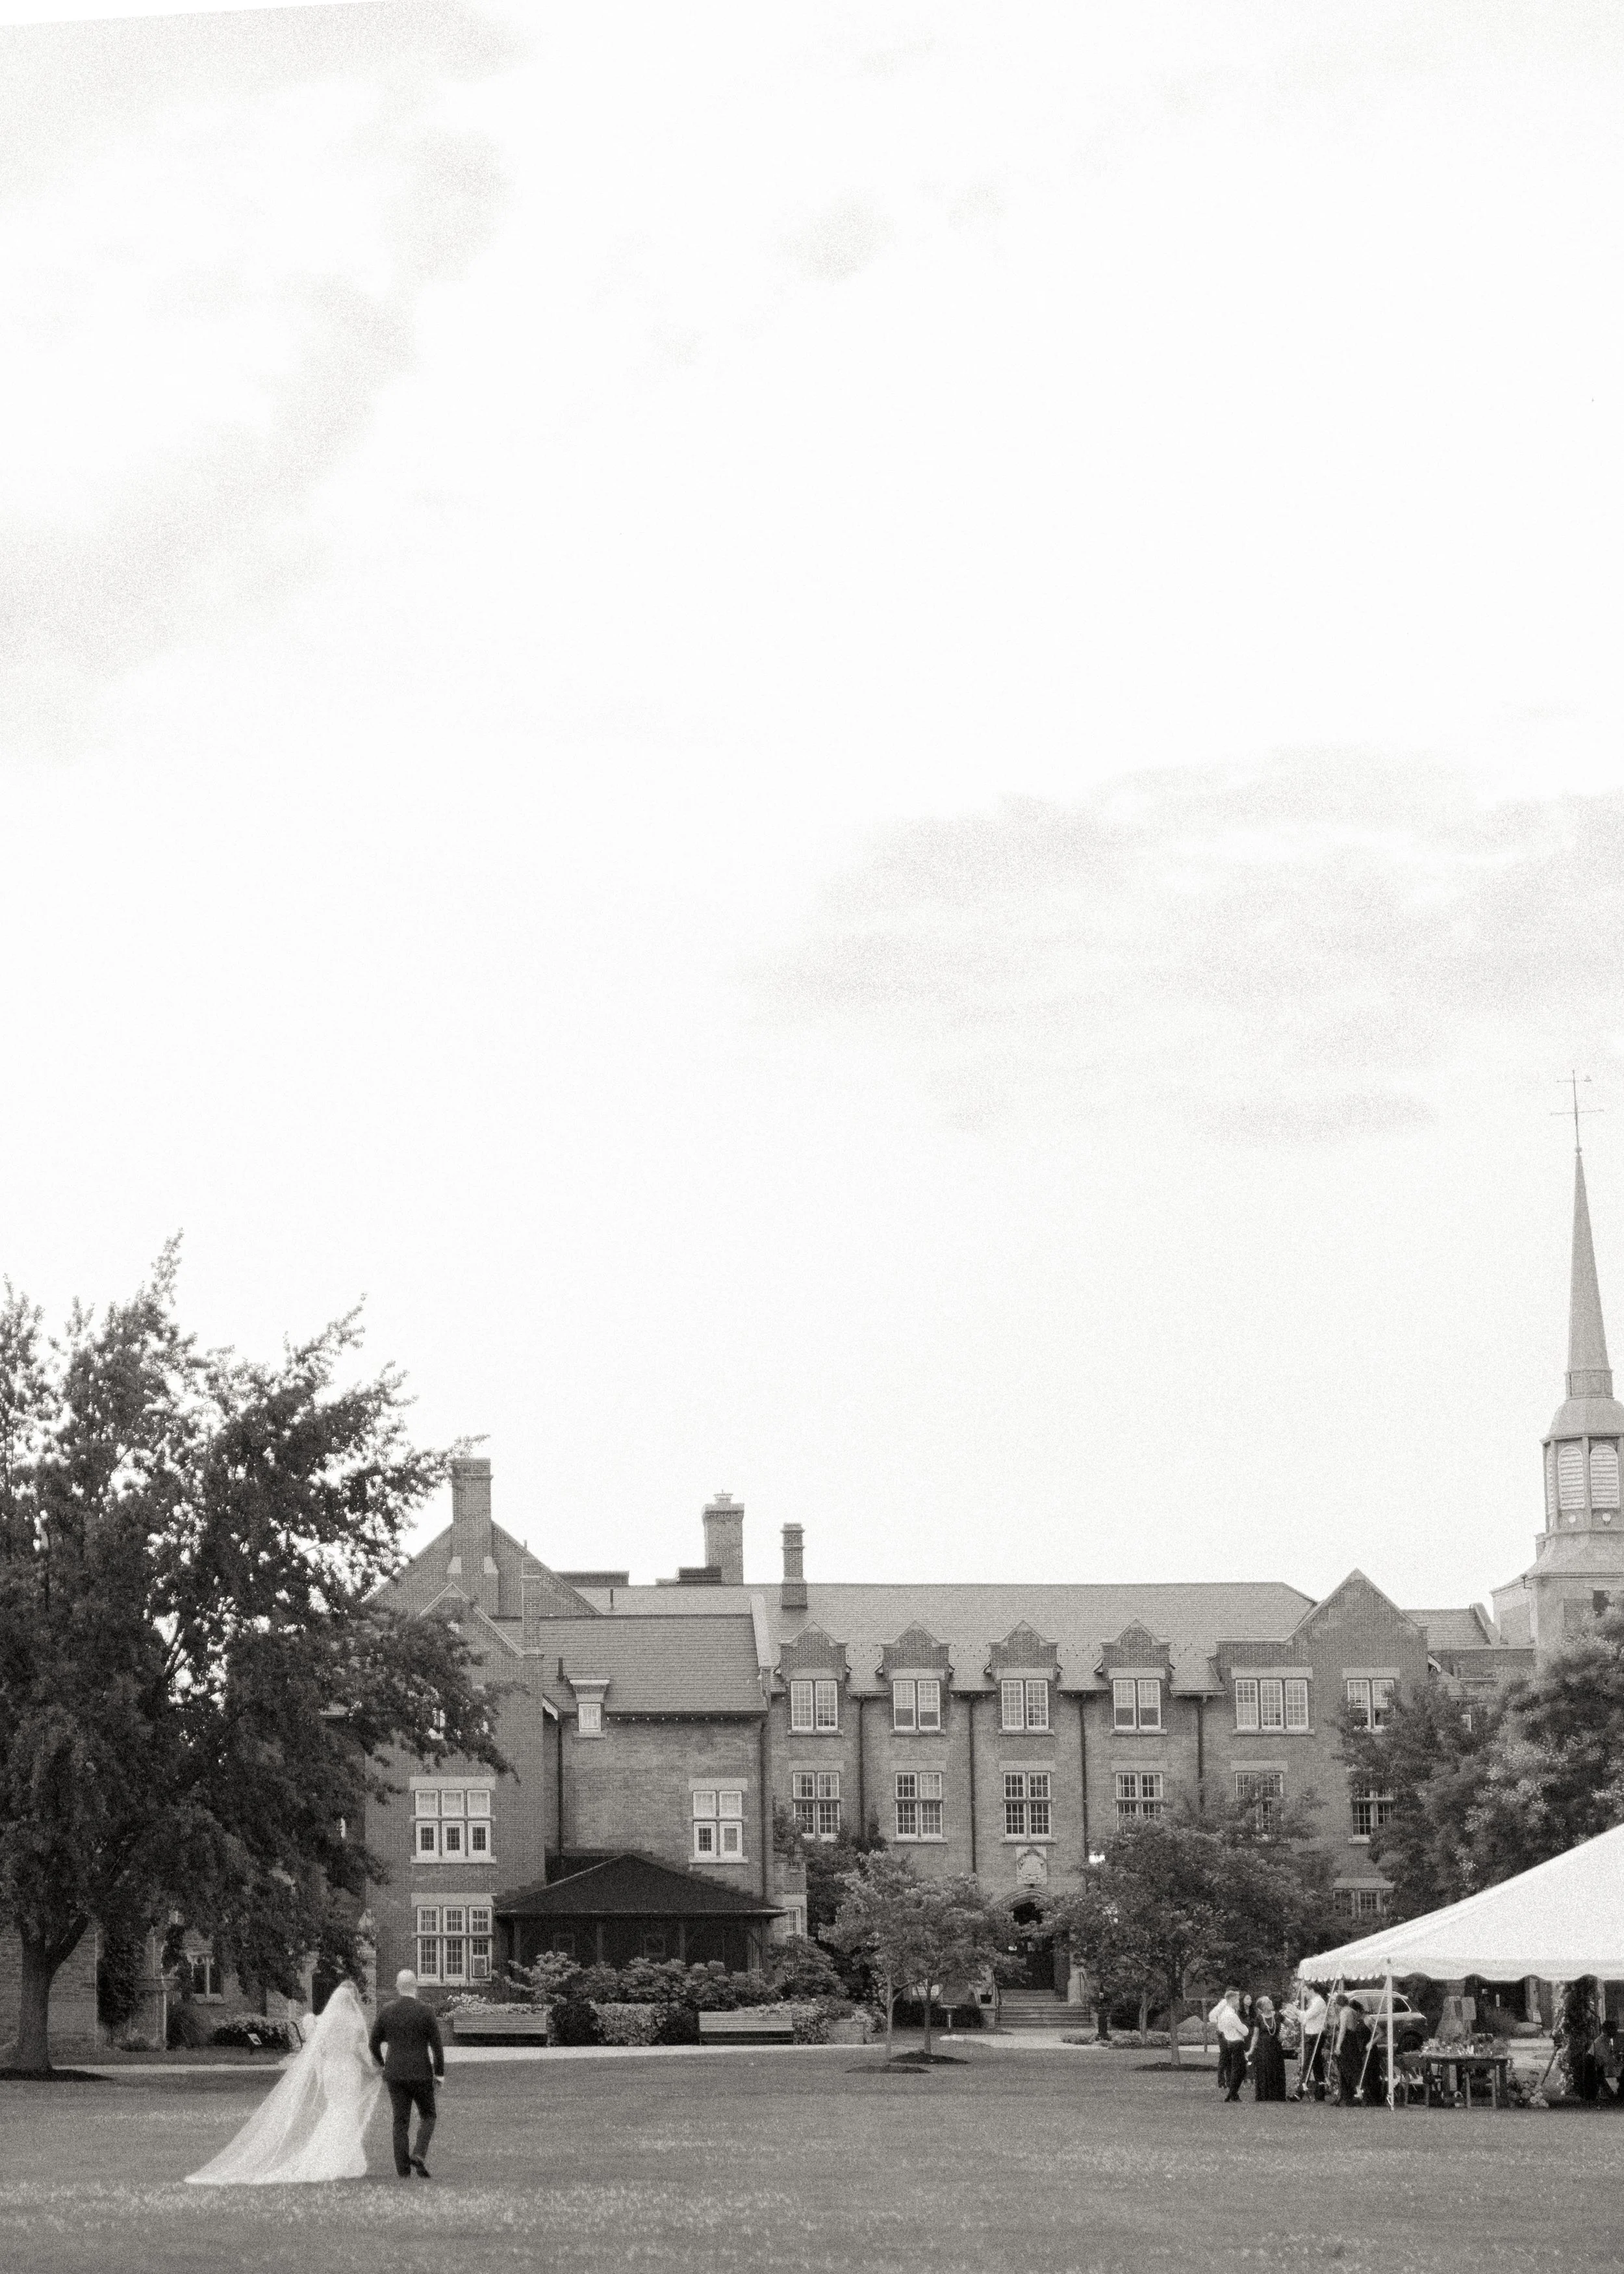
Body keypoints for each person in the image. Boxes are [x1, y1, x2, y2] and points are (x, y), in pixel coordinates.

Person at [186, 1980, 382, 2184]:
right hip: (348, 2070)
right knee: (345, 2111)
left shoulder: (326, 2021)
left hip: (331, 2071)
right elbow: (359, 2051)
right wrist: (374, 2069)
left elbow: (321, 2050)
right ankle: (339, 2159)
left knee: (335, 2110)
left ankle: (341, 2158)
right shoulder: (355, 2021)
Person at [370, 1967, 446, 2179]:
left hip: (395, 2074)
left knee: (400, 2123)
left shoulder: (387, 2010)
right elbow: (437, 2047)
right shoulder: (426, 2011)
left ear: (398, 1987)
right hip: (421, 2073)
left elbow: (373, 2042)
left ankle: (403, 2173)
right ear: (416, 1986)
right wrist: (439, 2074)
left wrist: (382, 2063)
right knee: (429, 2115)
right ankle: (419, 2153)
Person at [1210, 1987, 1250, 2102]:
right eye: (1237, 1999)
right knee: (1239, 2069)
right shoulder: (1231, 2015)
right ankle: (1233, 2093)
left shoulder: (1225, 2014)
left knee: (1236, 2068)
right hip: (1236, 2042)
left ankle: (1232, 2093)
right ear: (1232, 2000)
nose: (1239, 2002)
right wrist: (1244, 2029)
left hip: (1230, 2042)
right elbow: (1245, 2031)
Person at [1293, 1981, 1329, 2101]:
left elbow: (1307, 2016)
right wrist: (1299, 2016)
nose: (1304, 1995)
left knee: (1308, 2064)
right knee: (1317, 2065)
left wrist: (1296, 2011)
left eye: (1305, 1992)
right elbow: (1304, 2020)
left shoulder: (1319, 2002)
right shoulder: (1314, 2002)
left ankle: (1299, 2093)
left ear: (1312, 1990)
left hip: (1315, 2036)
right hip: (1311, 2034)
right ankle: (1320, 2094)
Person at [1332, 1993, 1371, 2106]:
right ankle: (1357, 2094)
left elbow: (1343, 2030)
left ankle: (1351, 2095)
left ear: (1339, 2004)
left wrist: (1338, 2045)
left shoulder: (1344, 2012)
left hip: (1347, 2042)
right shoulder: (1353, 2011)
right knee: (1355, 2068)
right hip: (1354, 2040)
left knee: (1347, 2069)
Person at [1249, 1995, 1288, 2101]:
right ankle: (1265, 2095)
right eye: (1268, 2002)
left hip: (1276, 2048)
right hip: (1263, 2049)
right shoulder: (1259, 2018)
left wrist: (1285, 2035)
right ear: (1263, 2007)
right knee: (1264, 2070)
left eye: (1270, 2001)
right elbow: (1255, 2036)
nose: (1271, 2003)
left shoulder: (1278, 2016)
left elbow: (1291, 2026)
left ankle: (1277, 2095)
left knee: (1276, 2069)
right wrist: (1251, 2050)